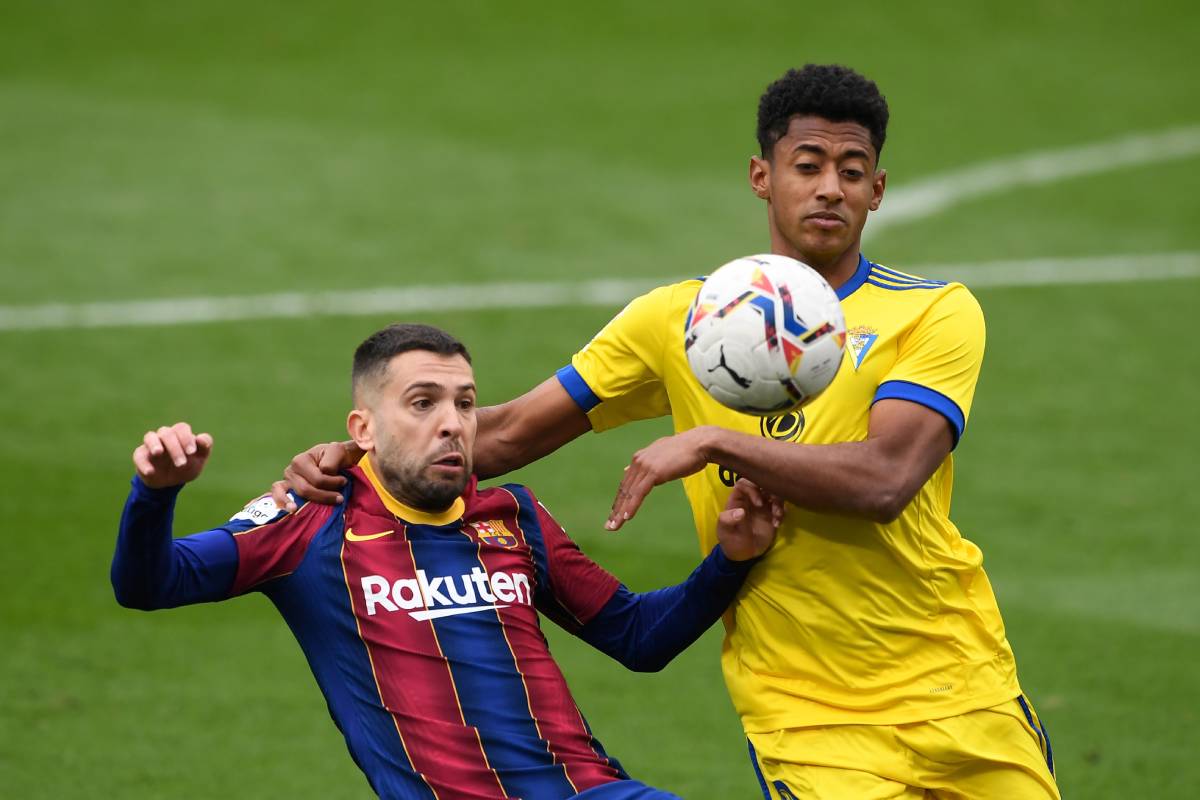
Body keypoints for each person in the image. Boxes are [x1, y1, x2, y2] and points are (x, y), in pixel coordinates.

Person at [275, 66, 1060, 799]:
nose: (830, 189)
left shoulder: (932, 312)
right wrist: (363, 449)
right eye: (808, 164)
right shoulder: (678, 321)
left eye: (851, 172)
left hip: (961, 683)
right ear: (763, 176)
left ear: (878, 190)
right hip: (807, 713)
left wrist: (717, 442)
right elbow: (508, 433)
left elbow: (887, 481)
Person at [112, 323, 781, 800]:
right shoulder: (308, 522)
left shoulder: (512, 516)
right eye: (423, 402)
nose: (452, 422)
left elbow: (638, 637)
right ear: (363, 429)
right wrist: (157, 494)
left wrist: (730, 559)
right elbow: (150, 583)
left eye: (464, 403)